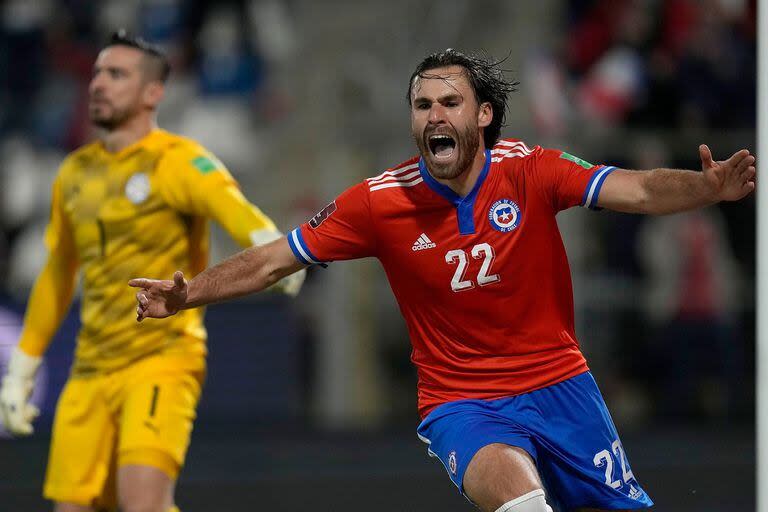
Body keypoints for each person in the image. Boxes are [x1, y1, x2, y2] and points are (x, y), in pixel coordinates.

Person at [129, 49, 755, 512]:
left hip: (561, 385)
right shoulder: (378, 203)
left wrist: (704, 187)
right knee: (522, 504)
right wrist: (188, 293)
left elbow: (640, 190)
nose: (435, 115)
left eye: (449, 102)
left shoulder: (533, 171)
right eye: (423, 105)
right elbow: (273, 259)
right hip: (465, 405)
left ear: (482, 114)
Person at [0, 31, 304, 512]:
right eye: (98, 72)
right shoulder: (73, 174)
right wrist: (22, 366)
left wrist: (274, 254)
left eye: (116, 74)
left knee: (142, 503)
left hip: (160, 360)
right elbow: (58, 275)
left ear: (152, 93)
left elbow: (236, 211)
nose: (99, 84)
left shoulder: (179, 161)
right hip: (89, 372)